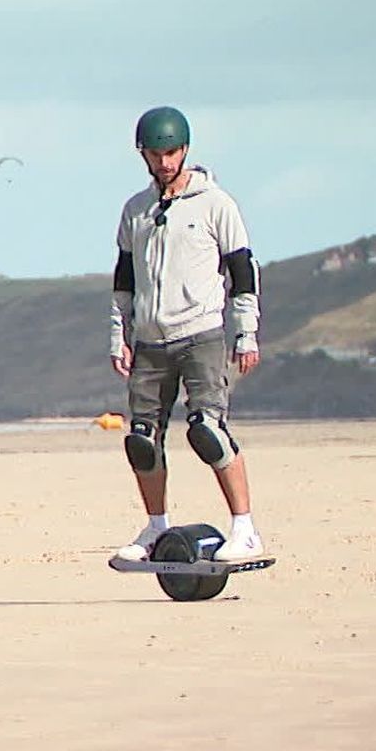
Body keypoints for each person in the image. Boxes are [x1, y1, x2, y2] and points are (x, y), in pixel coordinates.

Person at [109, 106, 264, 563]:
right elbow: (124, 281)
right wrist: (120, 334)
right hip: (151, 341)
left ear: (186, 150)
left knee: (207, 430)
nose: (165, 163)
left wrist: (247, 334)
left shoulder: (216, 204)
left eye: (172, 153)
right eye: (155, 154)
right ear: (143, 155)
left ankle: (245, 529)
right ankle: (156, 528)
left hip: (202, 334)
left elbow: (243, 273)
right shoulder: (136, 211)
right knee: (141, 439)